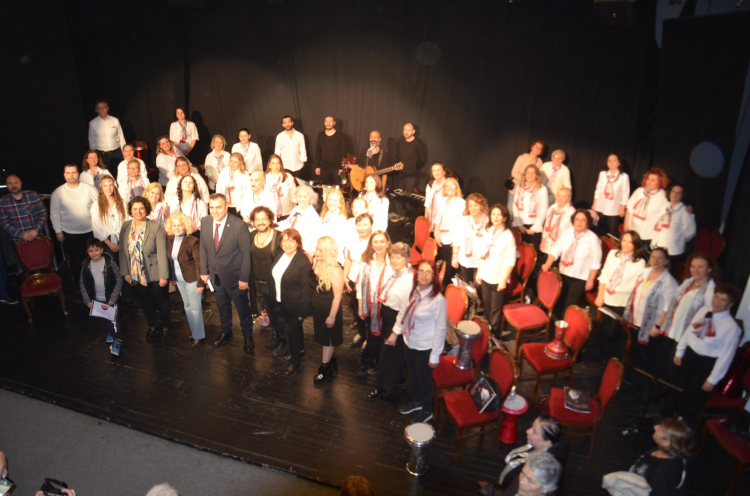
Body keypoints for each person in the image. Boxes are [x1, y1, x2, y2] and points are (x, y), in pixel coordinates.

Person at [673, 282, 741, 425]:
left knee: (695, 397)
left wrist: (713, 379)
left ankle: (685, 427)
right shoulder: (704, 310)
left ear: (730, 304)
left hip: (706, 364)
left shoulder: (731, 328)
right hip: (690, 356)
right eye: (716, 297)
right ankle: (675, 419)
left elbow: (726, 357)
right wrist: (680, 350)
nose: (717, 302)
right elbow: (689, 331)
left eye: (723, 300)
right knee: (681, 389)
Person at [394, 259, 446, 424]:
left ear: (434, 276)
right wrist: (397, 332)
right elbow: (405, 312)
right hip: (410, 342)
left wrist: (435, 355)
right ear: (416, 274)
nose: (424, 275)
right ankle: (417, 402)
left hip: (425, 347)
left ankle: (427, 410)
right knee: (413, 376)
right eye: (421, 271)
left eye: (428, 272)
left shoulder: (438, 300)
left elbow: (441, 329)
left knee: (424, 380)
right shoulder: (414, 292)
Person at [200, 194, 254, 353]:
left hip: (235, 278)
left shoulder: (239, 225)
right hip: (215, 277)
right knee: (222, 307)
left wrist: (244, 278)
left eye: (218, 207)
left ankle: (248, 336)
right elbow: (203, 248)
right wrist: (204, 271)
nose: (215, 211)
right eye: (212, 207)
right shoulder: (205, 221)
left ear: (226, 207)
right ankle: (226, 332)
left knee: (243, 309)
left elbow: (246, 254)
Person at [366, 242, 413, 401]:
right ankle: (397, 380)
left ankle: (383, 387)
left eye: (398, 257)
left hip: (396, 321)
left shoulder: (407, 280)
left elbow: (405, 311)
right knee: (393, 355)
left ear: (406, 259)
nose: (394, 260)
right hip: (388, 317)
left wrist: (394, 333)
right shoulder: (396, 273)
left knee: (387, 355)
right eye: (392, 257)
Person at [119, 196, 170, 342]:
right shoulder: (126, 226)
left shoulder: (155, 226)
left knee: (162, 301)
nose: (138, 211)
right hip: (135, 274)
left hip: (155, 273)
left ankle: (165, 327)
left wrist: (163, 276)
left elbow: (162, 253)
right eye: (135, 209)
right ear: (130, 211)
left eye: (141, 208)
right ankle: (152, 326)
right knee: (146, 302)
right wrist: (125, 272)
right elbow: (123, 252)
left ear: (146, 209)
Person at [479, 416, 569, 496]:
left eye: (535, 431)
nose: (528, 431)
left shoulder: (544, 467)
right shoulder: (538, 451)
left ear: (547, 442)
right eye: (532, 426)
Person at [622, 248, 678, 370]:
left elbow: (668, 308)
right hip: (636, 319)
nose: (655, 260)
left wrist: (657, 326)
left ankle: (642, 374)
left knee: (646, 354)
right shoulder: (645, 272)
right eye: (653, 257)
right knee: (635, 349)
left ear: (666, 261)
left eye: (660, 258)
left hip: (651, 325)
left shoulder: (669, 282)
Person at [661, 252, 717, 372]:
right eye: (693, 266)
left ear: (709, 269)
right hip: (672, 330)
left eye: (700, 267)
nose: (696, 270)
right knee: (663, 364)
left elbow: (705, 320)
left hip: (686, 336)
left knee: (674, 369)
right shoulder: (687, 282)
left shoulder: (710, 291)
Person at [595, 231, 648, 356]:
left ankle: (609, 356)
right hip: (607, 296)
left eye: (630, 242)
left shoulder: (640, 262)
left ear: (635, 244)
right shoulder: (613, 254)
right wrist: (600, 295)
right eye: (624, 240)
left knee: (613, 331)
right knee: (603, 326)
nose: (626, 244)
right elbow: (604, 274)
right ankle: (599, 351)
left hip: (622, 302)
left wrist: (617, 289)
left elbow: (636, 286)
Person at [540, 209, 602, 313]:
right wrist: (547, 264)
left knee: (569, 303)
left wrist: (591, 280)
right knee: (558, 299)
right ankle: (554, 319)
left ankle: (565, 321)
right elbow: (555, 250)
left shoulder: (593, 239)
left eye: (583, 220)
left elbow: (596, 262)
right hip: (563, 272)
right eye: (577, 219)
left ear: (588, 222)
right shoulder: (567, 232)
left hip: (580, 277)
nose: (579, 222)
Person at [271, 228, 313, 377]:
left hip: (297, 305)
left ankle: (296, 362)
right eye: (284, 240)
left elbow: (307, 289)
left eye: (292, 241)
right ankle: (300, 353)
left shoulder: (303, 261)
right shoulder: (280, 255)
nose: (287, 244)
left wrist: (302, 312)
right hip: (283, 301)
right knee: (296, 331)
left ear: (298, 243)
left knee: (292, 332)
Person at [50, 164, 99, 284]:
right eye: (68, 172)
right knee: (76, 261)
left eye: (74, 172)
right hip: (70, 233)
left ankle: (97, 281)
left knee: (95, 258)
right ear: (64, 175)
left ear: (78, 174)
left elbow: (100, 207)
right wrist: (58, 231)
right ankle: (80, 284)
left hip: (91, 231)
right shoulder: (58, 192)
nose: (71, 175)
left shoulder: (90, 188)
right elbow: (54, 213)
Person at [248, 207, 285, 357]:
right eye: (257, 219)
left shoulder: (279, 236)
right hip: (258, 284)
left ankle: (284, 340)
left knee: (280, 313)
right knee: (270, 312)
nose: (260, 222)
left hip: (275, 286)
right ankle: (276, 334)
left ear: (270, 220)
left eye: (264, 218)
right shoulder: (251, 235)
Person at [476, 204, 516, 337]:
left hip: (498, 277)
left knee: (495, 309)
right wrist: (479, 271)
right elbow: (482, 252)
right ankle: (486, 332)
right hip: (486, 273)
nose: (496, 217)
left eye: (499, 215)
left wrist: (504, 280)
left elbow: (511, 259)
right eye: (493, 214)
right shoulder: (488, 231)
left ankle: (494, 336)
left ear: (504, 218)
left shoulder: (508, 235)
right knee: (486, 305)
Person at [166, 212, 205, 347]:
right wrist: (173, 277)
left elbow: (199, 264)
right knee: (187, 307)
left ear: (185, 226)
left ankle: (198, 336)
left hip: (192, 279)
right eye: (174, 225)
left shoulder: (193, 241)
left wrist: (200, 283)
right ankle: (194, 331)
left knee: (195, 308)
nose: (177, 228)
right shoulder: (170, 239)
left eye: (180, 225)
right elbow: (171, 261)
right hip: (179, 279)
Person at [80, 237, 124, 355]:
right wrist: (87, 300)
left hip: (110, 300)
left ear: (102, 249)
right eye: (90, 251)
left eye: (96, 250)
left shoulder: (109, 263)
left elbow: (119, 280)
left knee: (113, 321)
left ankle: (117, 339)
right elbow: (83, 283)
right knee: (106, 319)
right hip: (97, 300)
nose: (94, 253)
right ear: (87, 252)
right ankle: (112, 332)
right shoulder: (86, 265)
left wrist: (113, 298)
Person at [357, 230, 392, 376]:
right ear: (371, 244)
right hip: (371, 306)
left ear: (388, 243)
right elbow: (360, 285)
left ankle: (379, 363)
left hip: (389, 306)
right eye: (375, 242)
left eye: (382, 241)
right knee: (372, 337)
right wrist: (360, 306)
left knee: (385, 338)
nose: (379, 245)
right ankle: (366, 362)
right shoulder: (366, 261)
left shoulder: (393, 262)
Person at [311, 236, 345, 384]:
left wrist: (332, 316)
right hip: (318, 309)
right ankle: (330, 362)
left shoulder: (336, 270)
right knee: (323, 337)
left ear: (329, 251)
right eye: (317, 249)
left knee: (328, 339)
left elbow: (337, 297)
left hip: (329, 309)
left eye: (321, 250)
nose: (317, 253)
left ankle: (324, 368)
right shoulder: (316, 261)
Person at [628, 418, 691, 496]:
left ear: (666, 442)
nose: (655, 427)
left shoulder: (662, 474)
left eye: (659, 430)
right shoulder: (659, 450)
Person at [343, 205, 373, 348]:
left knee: (370, 312)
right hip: (354, 280)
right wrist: (345, 276)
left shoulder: (375, 242)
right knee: (357, 309)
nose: (362, 228)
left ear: (371, 226)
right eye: (359, 225)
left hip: (370, 282)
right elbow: (349, 259)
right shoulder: (353, 241)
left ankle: (370, 339)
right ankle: (361, 334)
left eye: (365, 224)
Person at [650, 183, 696, 274]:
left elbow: (691, 231)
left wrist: (678, 239)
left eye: (679, 193)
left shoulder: (684, 211)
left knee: (668, 274)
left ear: (682, 196)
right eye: (673, 191)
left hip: (673, 250)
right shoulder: (665, 207)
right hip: (660, 246)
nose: (675, 194)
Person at [452, 193, 489, 291]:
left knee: (478, 286)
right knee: (467, 286)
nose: (473, 208)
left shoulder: (488, 221)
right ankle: (469, 301)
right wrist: (454, 256)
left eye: (476, 205)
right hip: (465, 259)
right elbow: (457, 239)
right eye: (470, 206)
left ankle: (478, 300)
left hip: (480, 261)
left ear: (481, 206)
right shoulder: (464, 220)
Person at [624, 168, 670, 248]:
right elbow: (629, 208)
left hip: (648, 236)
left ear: (660, 181)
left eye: (653, 180)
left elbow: (668, 214)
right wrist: (626, 224)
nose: (649, 182)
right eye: (648, 179)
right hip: (633, 232)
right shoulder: (639, 191)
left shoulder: (663, 196)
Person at [434, 177, 466, 290]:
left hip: (453, 240)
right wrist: (436, 233)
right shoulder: (442, 201)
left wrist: (457, 241)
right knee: (445, 267)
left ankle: (453, 292)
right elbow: (437, 218)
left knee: (453, 269)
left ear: (457, 188)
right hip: (442, 238)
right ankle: (445, 290)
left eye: (452, 185)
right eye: (447, 186)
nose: (449, 188)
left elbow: (463, 224)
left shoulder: (461, 203)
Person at [0, 174, 47, 245]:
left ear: (21, 183)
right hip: (17, 241)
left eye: (16, 182)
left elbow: (43, 213)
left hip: (38, 236)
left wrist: (35, 231)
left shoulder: (33, 195)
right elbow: (4, 223)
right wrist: (21, 234)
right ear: (7, 185)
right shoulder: (2, 201)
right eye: (10, 183)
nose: (13, 186)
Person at [512, 164, 549, 255]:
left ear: (537, 175)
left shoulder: (542, 189)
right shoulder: (520, 187)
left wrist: (534, 228)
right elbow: (515, 205)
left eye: (533, 173)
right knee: (519, 252)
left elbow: (544, 208)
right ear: (525, 174)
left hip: (534, 227)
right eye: (528, 173)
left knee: (532, 254)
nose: (530, 175)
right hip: (521, 225)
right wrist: (520, 225)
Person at [591, 154, 630, 237]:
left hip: (614, 208)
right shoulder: (602, 174)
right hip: (601, 206)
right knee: (598, 228)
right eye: (609, 161)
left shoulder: (624, 177)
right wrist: (594, 204)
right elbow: (598, 189)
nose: (612, 163)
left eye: (614, 160)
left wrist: (622, 208)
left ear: (619, 163)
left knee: (612, 230)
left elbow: (625, 193)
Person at [91, 176, 128, 258]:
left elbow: (127, 221)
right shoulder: (96, 206)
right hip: (106, 241)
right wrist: (110, 244)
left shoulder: (122, 202)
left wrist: (122, 242)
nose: (108, 188)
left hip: (123, 238)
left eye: (111, 185)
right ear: (101, 188)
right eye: (105, 186)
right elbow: (97, 228)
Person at [277, 184, 321, 254]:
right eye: (300, 196)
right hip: (291, 243)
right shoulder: (297, 208)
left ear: (311, 199)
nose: (302, 199)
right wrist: (276, 225)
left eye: (305, 197)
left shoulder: (312, 216)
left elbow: (300, 235)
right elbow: (288, 221)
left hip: (303, 249)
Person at [393, 123, 425, 216]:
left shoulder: (418, 144)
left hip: (411, 175)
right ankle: (401, 215)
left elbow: (422, 160)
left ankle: (410, 217)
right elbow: (397, 154)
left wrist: (413, 168)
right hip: (400, 173)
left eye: (409, 130)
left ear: (413, 131)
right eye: (404, 130)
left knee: (409, 196)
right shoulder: (400, 140)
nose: (406, 132)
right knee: (399, 194)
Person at [509, 140, 545, 211]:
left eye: (540, 148)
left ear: (541, 151)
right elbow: (514, 173)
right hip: (515, 190)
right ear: (531, 147)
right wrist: (526, 179)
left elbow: (538, 176)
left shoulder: (540, 162)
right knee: (511, 211)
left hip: (529, 193)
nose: (537, 149)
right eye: (536, 146)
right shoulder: (522, 158)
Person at [88, 99, 125, 169]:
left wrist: (124, 152)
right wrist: (93, 156)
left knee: (120, 171)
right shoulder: (92, 123)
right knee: (105, 174)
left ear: (107, 108)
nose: (102, 110)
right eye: (99, 108)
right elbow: (91, 140)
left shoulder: (115, 120)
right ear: (97, 110)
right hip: (102, 155)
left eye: (104, 107)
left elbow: (121, 137)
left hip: (117, 153)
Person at [540, 188, 575, 256]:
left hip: (560, 248)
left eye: (563, 197)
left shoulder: (571, 213)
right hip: (547, 245)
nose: (560, 199)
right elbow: (546, 225)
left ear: (569, 199)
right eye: (558, 196)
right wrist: (543, 240)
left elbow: (572, 233)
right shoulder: (552, 208)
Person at [318, 188, 349, 265]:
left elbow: (340, 243)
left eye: (335, 200)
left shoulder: (341, 219)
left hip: (332, 259)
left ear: (340, 204)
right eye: (329, 200)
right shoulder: (323, 216)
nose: (331, 203)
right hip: (321, 255)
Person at [314, 116, 347, 185]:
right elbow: (317, 152)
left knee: (337, 189)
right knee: (325, 189)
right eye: (326, 121)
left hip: (337, 169)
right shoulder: (320, 135)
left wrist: (342, 168)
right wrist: (317, 166)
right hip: (324, 169)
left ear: (334, 123)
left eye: (330, 121)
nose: (328, 123)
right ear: (324, 123)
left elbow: (343, 153)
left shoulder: (340, 136)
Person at [216, 153, 250, 217]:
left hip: (239, 206)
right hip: (226, 204)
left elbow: (248, 191)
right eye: (231, 161)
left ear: (240, 163)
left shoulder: (245, 174)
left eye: (235, 162)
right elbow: (219, 187)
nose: (232, 164)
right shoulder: (224, 171)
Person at [264, 154, 296, 221]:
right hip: (270, 213)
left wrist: (294, 208)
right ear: (269, 165)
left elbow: (294, 193)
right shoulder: (265, 178)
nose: (276, 166)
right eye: (273, 163)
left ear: (281, 165)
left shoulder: (287, 176)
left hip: (286, 212)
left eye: (278, 163)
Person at [424, 162, 447, 232]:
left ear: (444, 171)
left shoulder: (448, 185)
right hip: (431, 221)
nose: (436, 173)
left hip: (443, 223)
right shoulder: (430, 186)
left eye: (438, 170)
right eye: (434, 171)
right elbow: (427, 203)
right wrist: (426, 220)